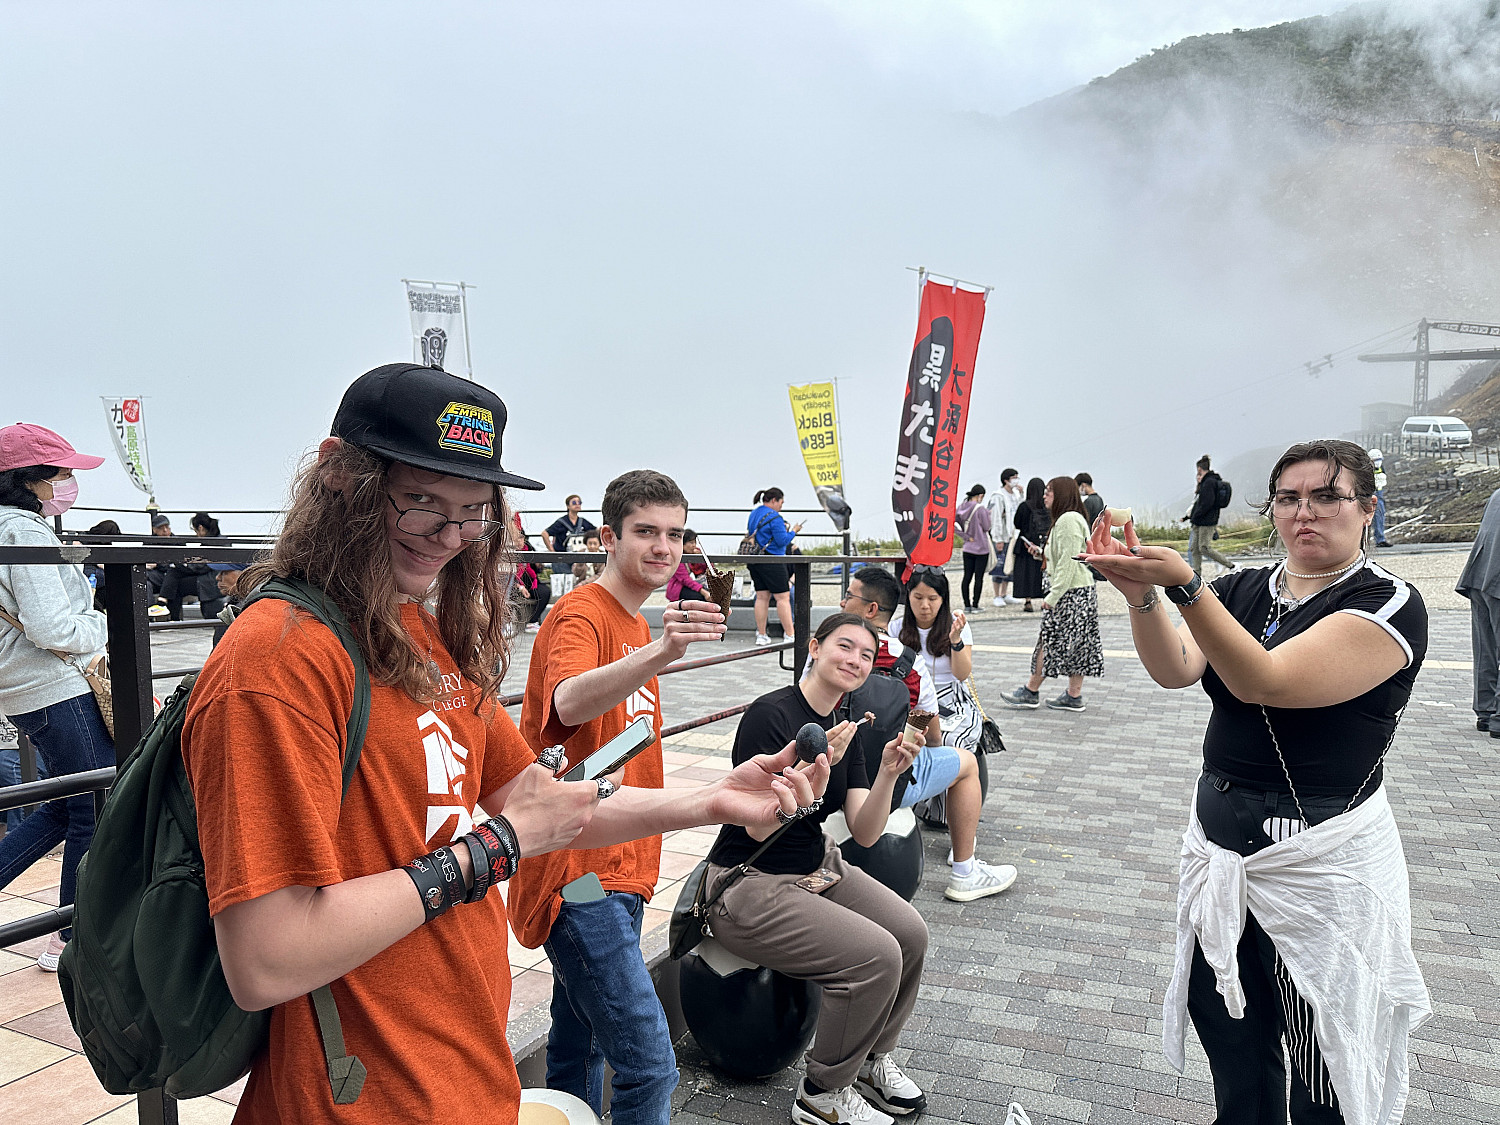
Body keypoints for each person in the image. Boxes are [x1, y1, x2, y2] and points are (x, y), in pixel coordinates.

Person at [181, 364, 826, 1124]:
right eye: (419, 503)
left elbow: (538, 802)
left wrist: (709, 801)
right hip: (360, 1094)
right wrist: (493, 849)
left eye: (472, 513)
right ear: (339, 477)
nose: (449, 540)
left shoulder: (418, 631)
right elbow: (266, 956)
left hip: (465, 1066)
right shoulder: (280, 657)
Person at [1082, 439, 1431, 1124]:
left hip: (1319, 866)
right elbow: (1179, 667)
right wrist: (1144, 595)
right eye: (1288, 497)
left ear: (1367, 507)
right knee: (1237, 1049)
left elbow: (1262, 679)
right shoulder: (1245, 588)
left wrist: (1186, 586)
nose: (1306, 511)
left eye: (1327, 496)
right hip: (1223, 858)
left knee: (1324, 1057)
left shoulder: (1389, 603)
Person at [509, 468, 800, 1124]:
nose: (664, 546)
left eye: (674, 533)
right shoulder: (580, 611)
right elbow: (567, 698)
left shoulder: (636, 624)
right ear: (609, 536)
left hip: (626, 864)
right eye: (646, 531)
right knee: (649, 1061)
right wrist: (666, 649)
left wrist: (655, 644)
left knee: (579, 1035)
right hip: (580, 877)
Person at [705, 613, 927, 1125]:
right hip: (749, 882)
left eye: (867, 656)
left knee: (911, 934)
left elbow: (865, 831)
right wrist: (815, 765)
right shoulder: (772, 716)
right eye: (844, 647)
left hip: (817, 867)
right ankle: (822, 1095)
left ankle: (870, 1061)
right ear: (815, 647)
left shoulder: (845, 723)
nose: (855, 660)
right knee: (876, 957)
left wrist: (889, 773)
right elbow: (758, 829)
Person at [0, 423, 113, 971]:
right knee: (95, 803)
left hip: (23, 685)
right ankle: (69, 936)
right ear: (29, 479)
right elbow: (52, 626)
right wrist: (102, 627)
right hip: (53, 681)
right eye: (61, 473)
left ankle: (66, 928)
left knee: (65, 803)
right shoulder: (25, 531)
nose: (68, 483)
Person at [834, 566, 1016, 902]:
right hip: (888, 781)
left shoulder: (827, 653)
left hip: (830, 776)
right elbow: (930, 734)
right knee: (966, 764)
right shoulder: (909, 661)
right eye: (917, 597)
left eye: (848, 596)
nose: (842, 601)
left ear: (871, 608)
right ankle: (965, 871)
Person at [999, 477, 1103, 711]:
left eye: (1050, 492)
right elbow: (1063, 558)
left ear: (1062, 495)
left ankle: (1031, 690)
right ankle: (1072, 695)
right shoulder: (1070, 519)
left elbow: (1069, 562)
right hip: (1079, 592)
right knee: (1078, 643)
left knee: (1049, 641)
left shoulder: (1067, 521)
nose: (1045, 496)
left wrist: (1052, 597)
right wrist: (1040, 553)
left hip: (1070, 594)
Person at [1457, 486, 1500, 735]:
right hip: (1494, 576)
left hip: (1480, 573)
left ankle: (1485, 712)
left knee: (1486, 648)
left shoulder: (1496, 493)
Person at [747, 487, 802, 647]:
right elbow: (782, 541)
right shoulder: (776, 517)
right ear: (774, 500)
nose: (781, 506)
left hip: (755, 560)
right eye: (781, 502)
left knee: (761, 597)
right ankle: (790, 635)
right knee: (782, 598)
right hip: (773, 561)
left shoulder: (754, 513)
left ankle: (762, 634)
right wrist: (794, 532)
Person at [1182, 454, 1236, 577]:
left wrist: (1196, 516)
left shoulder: (1209, 483)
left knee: (1204, 547)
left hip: (1206, 521)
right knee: (1194, 549)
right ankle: (1196, 575)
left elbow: (1206, 503)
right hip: (1199, 521)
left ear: (1199, 469)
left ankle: (1230, 565)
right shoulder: (1207, 482)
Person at [1011, 477, 1050, 613]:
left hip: (1025, 545)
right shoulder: (1046, 507)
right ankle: (1045, 599)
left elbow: (1017, 523)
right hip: (1042, 544)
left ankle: (1028, 601)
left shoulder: (1024, 506)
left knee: (1025, 573)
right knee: (1042, 572)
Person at [510, 514, 553, 633]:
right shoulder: (507, 550)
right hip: (514, 584)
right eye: (516, 538)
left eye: (521, 537)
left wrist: (539, 565)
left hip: (530, 582)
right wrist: (519, 587)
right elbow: (506, 575)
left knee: (544, 591)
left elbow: (535, 569)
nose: (519, 541)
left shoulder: (528, 548)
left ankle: (533, 621)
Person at [547, 494, 597, 595]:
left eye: (579, 502)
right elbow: (545, 533)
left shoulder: (583, 522)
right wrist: (552, 551)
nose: (577, 504)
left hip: (579, 558)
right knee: (567, 583)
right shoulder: (561, 522)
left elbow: (595, 532)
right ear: (568, 506)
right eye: (574, 503)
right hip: (563, 559)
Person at [953, 484, 991, 613]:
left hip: (968, 546)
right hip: (981, 547)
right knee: (978, 578)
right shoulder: (980, 509)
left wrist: (965, 536)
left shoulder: (961, 507)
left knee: (967, 577)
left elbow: (952, 523)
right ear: (980, 496)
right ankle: (975, 604)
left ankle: (966, 605)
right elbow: (986, 527)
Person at [988, 469, 1023, 606]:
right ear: (1006, 480)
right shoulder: (998, 495)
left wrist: (1021, 493)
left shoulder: (1014, 494)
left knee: (1009, 564)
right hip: (1002, 535)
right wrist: (998, 539)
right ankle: (996, 595)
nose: (1016, 480)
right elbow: (995, 518)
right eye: (1013, 477)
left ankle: (1004, 593)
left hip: (1013, 535)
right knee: (999, 564)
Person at [666, 528, 709, 604]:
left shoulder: (696, 552)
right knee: (700, 598)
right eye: (691, 543)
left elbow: (708, 569)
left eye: (695, 542)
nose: (694, 546)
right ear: (683, 544)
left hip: (696, 583)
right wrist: (704, 592)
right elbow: (685, 580)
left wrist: (701, 558)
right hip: (680, 587)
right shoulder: (678, 557)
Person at [1369, 448, 1391, 547]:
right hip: (1370, 494)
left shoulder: (1381, 468)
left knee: (1380, 516)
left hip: (1379, 493)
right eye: (1376, 461)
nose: (1378, 463)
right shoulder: (1366, 470)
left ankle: (1380, 539)